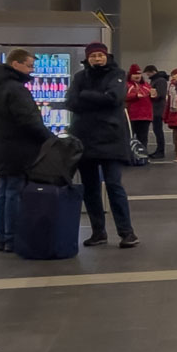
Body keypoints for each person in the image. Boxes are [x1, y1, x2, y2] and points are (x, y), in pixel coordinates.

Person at [63, 43, 138, 248]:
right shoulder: (80, 77)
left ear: (107, 57)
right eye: (93, 56)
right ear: (87, 58)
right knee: (90, 188)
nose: (97, 59)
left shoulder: (117, 74)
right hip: (84, 139)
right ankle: (98, 232)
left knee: (114, 185)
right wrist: (99, 99)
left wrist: (85, 96)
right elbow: (70, 101)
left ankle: (127, 232)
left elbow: (114, 98)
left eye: (100, 55)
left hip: (111, 139)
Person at [0, 49, 56, 254]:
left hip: (1, 146)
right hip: (20, 148)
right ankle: (14, 239)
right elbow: (29, 120)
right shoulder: (15, 89)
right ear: (15, 64)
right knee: (15, 192)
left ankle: (3, 239)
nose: (31, 70)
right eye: (29, 65)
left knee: (4, 192)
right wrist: (50, 139)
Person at [125, 66, 158, 156]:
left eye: (139, 74)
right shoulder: (127, 85)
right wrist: (135, 96)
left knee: (143, 138)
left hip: (145, 116)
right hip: (131, 116)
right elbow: (123, 97)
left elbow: (153, 98)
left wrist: (154, 96)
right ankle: (129, 156)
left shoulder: (146, 85)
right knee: (129, 137)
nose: (137, 76)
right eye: (135, 74)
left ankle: (142, 155)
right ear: (130, 75)